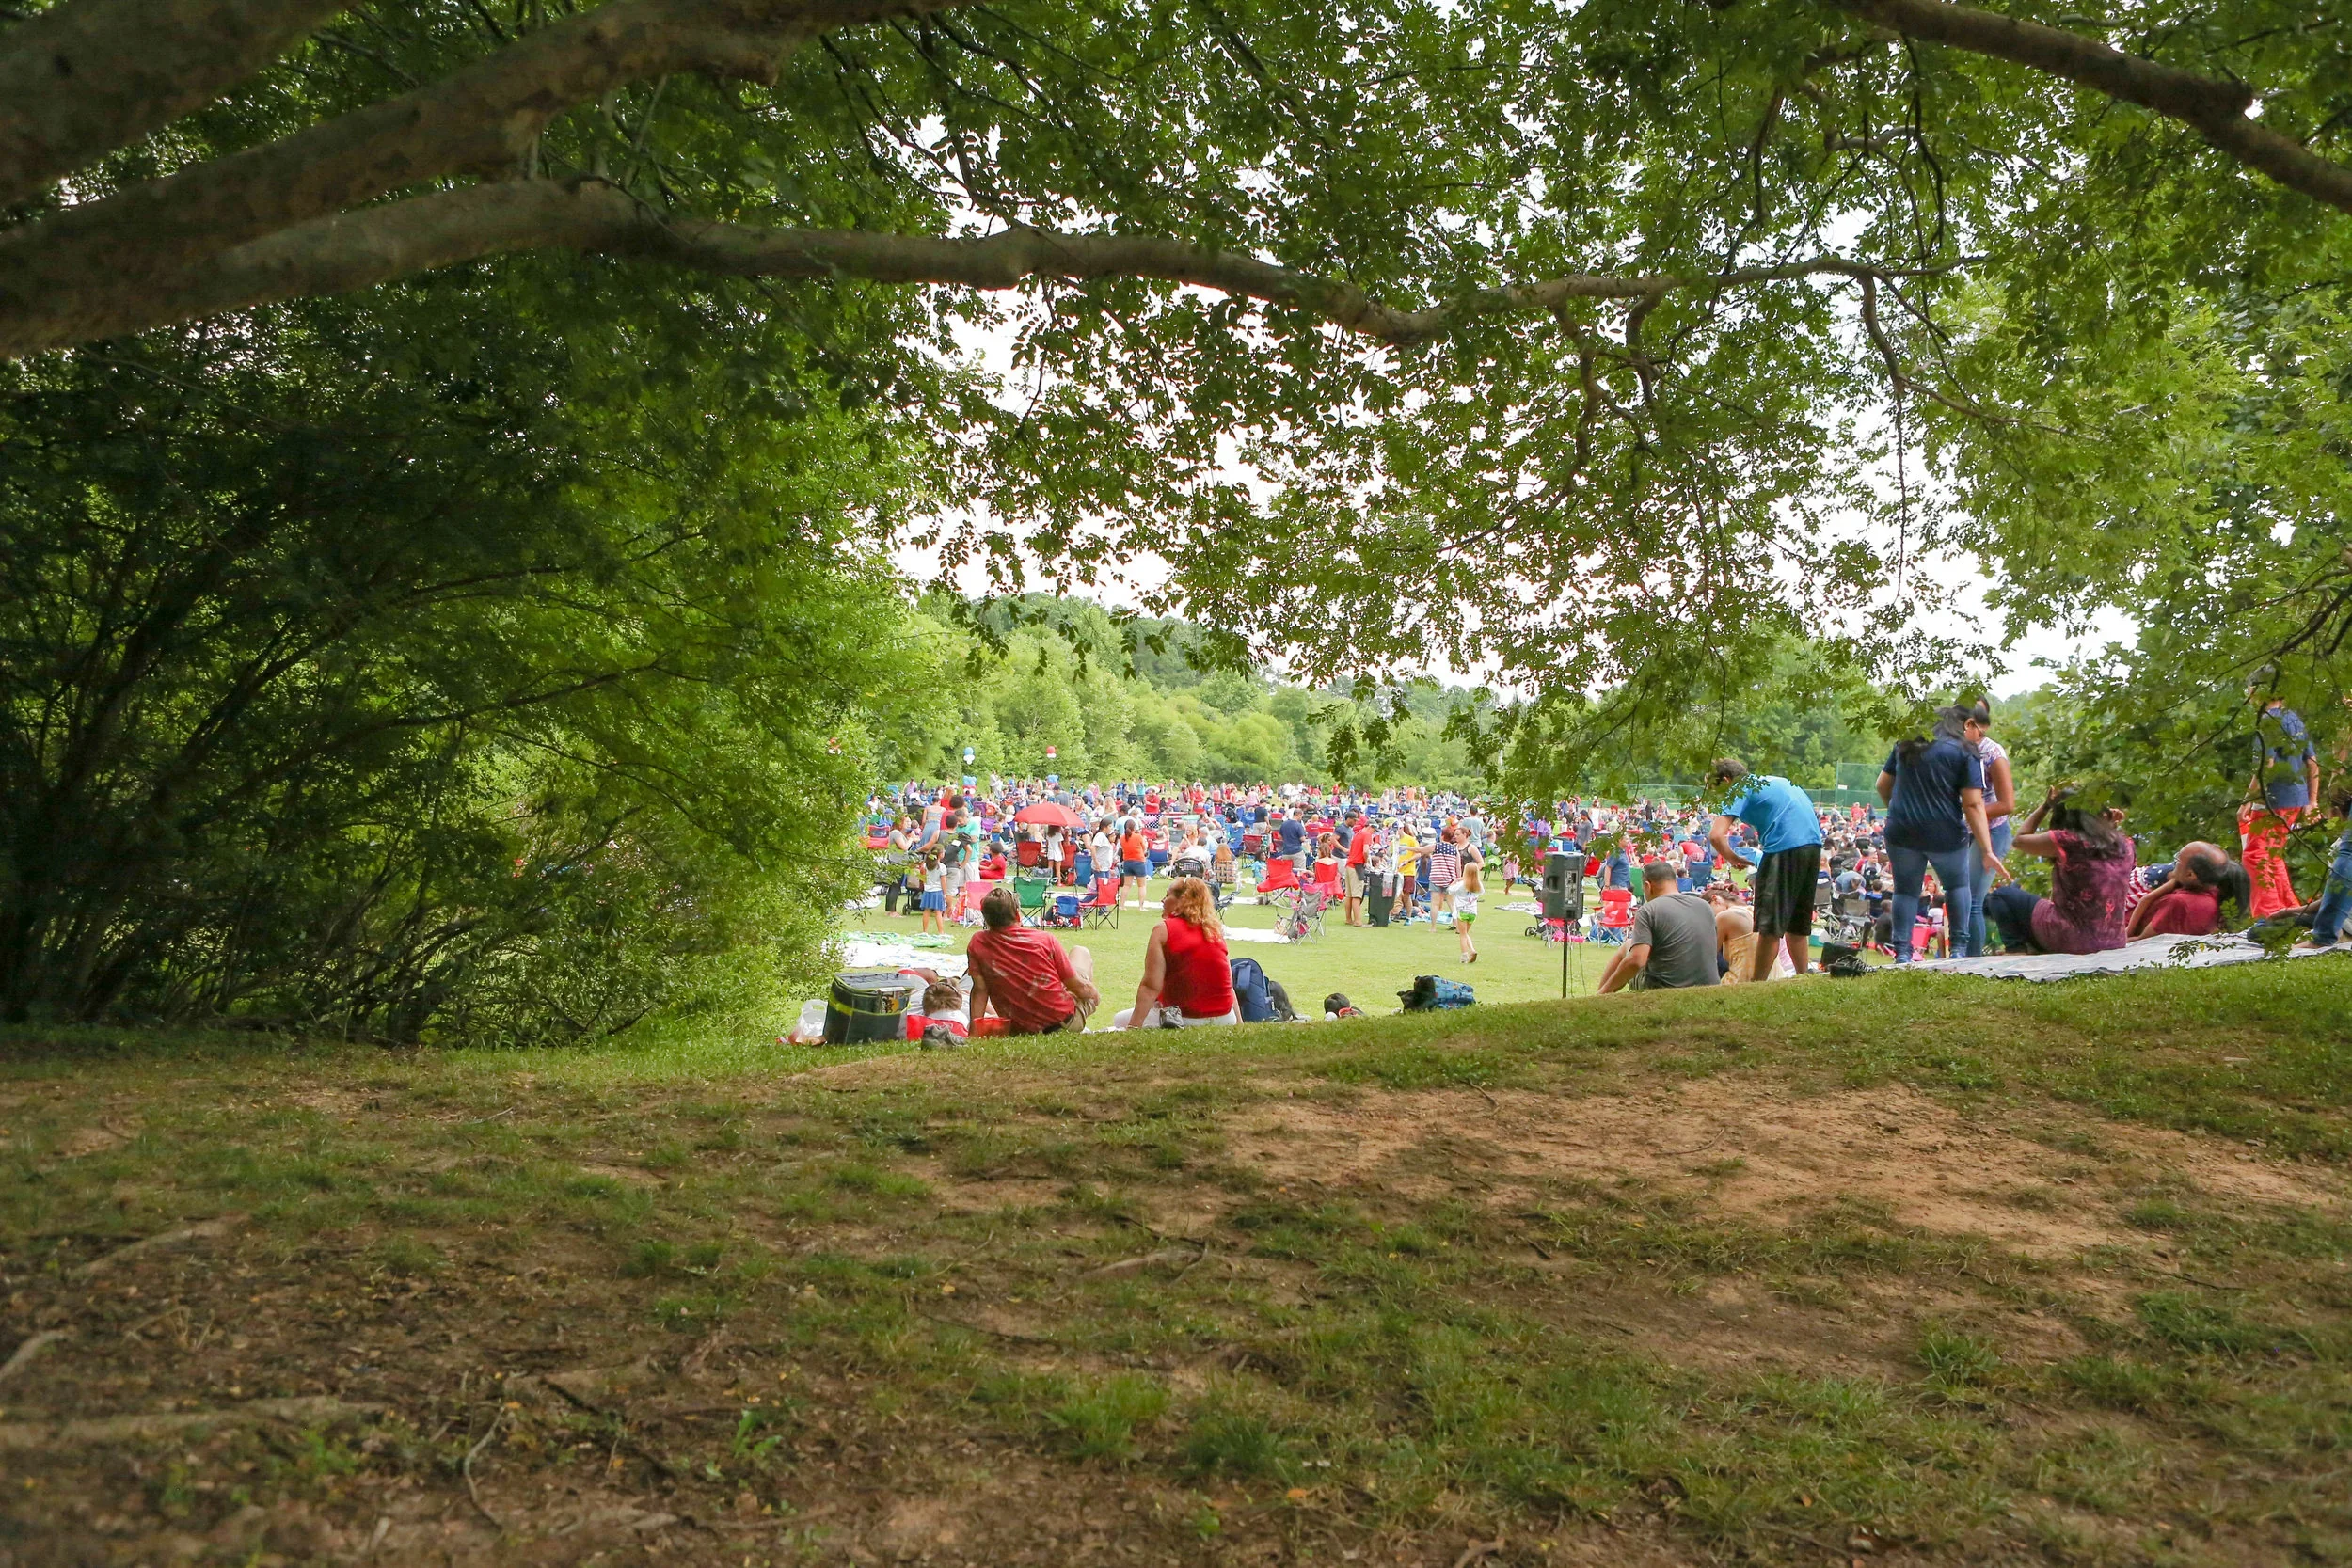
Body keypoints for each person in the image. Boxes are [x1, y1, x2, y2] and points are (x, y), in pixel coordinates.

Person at [1877, 707, 2008, 963]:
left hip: (1902, 830)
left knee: (1905, 891)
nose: (1978, 737)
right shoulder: (1965, 752)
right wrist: (1988, 849)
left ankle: (1902, 953)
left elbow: (1882, 785)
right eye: (1978, 731)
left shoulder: (1906, 745)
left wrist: (1898, 810)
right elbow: (1973, 805)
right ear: (1966, 724)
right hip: (1944, 833)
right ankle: (1958, 950)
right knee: (1957, 886)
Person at [1982, 784, 2135, 956]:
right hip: (2114, 941)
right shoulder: (2126, 846)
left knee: (2001, 896)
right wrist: (2104, 820)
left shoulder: (2068, 841)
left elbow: (2019, 840)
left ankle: (2016, 949)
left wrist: (2046, 806)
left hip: (2071, 939)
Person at [1708, 758, 1824, 982]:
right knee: (1797, 924)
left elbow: (1715, 835)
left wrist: (1732, 857)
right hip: (1812, 846)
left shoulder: (1740, 787)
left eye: (1715, 789)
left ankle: (1757, 985)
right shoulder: (1772, 781)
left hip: (1784, 847)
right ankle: (1805, 978)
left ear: (1726, 780)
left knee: (1769, 925)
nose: (1717, 796)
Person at [965, 884, 1101, 1034]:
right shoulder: (1044, 940)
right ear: (1017, 915)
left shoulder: (978, 943)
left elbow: (980, 990)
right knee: (1080, 952)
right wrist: (1093, 995)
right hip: (1061, 1024)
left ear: (986, 919)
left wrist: (973, 1033)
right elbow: (1077, 986)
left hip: (1017, 1029)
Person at [1115, 877, 1239, 1029]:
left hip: (1183, 1017)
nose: (1162, 900)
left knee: (1119, 1020)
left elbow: (1150, 986)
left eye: (1167, 895)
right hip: (1225, 1017)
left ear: (1181, 900)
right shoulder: (1214, 929)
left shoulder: (1163, 930)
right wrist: (1239, 1024)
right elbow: (1229, 985)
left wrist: (1133, 1027)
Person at [2243, 681, 2320, 919]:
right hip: (2296, 798)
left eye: (2249, 688)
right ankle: (2291, 910)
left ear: (2259, 691)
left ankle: (2269, 915)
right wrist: (2312, 800)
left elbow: (2267, 766)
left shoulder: (2267, 722)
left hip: (2274, 799)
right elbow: (2312, 761)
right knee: (2272, 854)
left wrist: (2248, 799)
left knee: (2255, 856)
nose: (2248, 693)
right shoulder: (2293, 718)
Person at [1599, 862, 1721, 991]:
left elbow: (1637, 960)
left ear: (1647, 886)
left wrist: (1605, 990)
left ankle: (1601, 994)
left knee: (1627, 947)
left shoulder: (1648, 910)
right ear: (1675, 882)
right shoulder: (1704, 906)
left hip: (1664, 990)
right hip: (1708, 988)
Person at [1958, 700, 2016, 956]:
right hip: (1963, 833)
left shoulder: (1993, 753)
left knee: (1971, 900)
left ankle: (1970, 961)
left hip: (1992, 832)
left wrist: (1969, 810)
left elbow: (2007, 804)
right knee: (1959, 898)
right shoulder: (1957, 749)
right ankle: (1958, 954)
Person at [2125, 843, 2248, 940]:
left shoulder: (2179, 900)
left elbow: (2142, 940)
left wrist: (2126, 936)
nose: (2173, 865)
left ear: (2190, 874)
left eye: (2177, 861)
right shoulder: (2205, 889)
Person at [1343, 812, 1372, 927]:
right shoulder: (1366, 835)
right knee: (1356, 895)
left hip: (1349, 865)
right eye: (1374, 830)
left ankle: (1349, 919)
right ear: (1370, 827)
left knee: (1349, 895)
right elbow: (1365, 851)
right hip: (1357, 866)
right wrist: (1366, 861)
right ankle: (1358, 921)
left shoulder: (1357, 834)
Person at [1120, 816, 1152, 908]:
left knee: (1127, 885)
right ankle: (1141, 906)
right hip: (1139, 861)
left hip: (1127, 862)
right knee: (1142, 885)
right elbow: (1144, 848)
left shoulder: (1122, 838)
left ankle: (1122, 905)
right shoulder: (1138, 837)